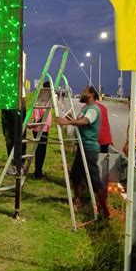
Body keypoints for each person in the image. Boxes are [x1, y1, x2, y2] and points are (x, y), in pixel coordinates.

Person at [55, 86, 110, 219]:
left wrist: (67, 121)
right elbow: (79, 119)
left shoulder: (93, 109)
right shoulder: (85, 108)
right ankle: (77, 199)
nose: (81, 93)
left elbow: (85, 121)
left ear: (91, 94)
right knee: (75, 175)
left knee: (94, 180)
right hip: (82, 147)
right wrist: (68, 116)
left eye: (84, 91)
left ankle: (105, 211)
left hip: (89, 149)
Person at [28, 81, 52, 179]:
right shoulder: (43, 100)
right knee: (40, 152)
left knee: (40, 152)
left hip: (41, 128)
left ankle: (38, 172)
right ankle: (38, 173)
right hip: (41, 129)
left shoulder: (41, 99)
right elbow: (41, 116)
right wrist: (34, 125)